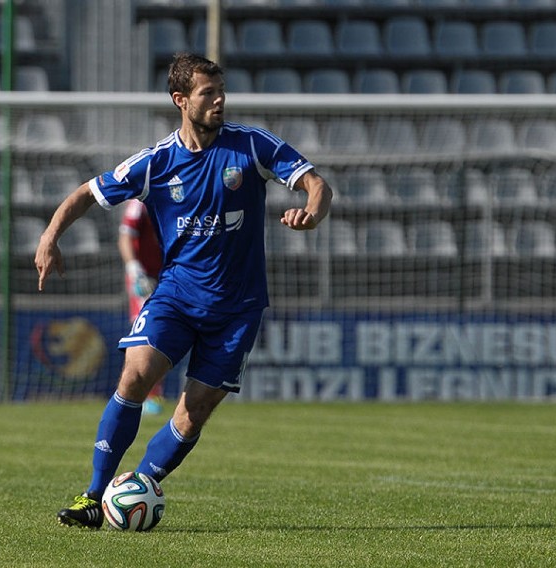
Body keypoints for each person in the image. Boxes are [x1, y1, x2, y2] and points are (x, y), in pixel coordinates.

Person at [34, 52, 333, 529]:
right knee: (135, 375)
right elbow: (86, 194)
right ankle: (94, 495)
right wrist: (50, 238)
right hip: (176, 296)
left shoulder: (251, 145)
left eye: (221, 92)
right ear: (181, 101)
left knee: (194, 413)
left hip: (238, 308)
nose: (219, 102)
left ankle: (141, 485)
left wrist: (312, 212)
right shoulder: (156, 162)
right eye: (207, 94)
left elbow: (317, 184)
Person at [118, 200, 165, 415]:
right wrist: (133, 268)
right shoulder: (140, 203)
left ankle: (151, 394)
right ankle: (136, 394)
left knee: (162, 335)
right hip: (143, 278)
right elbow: (125, 236)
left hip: (166, 275)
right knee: (144, 333)